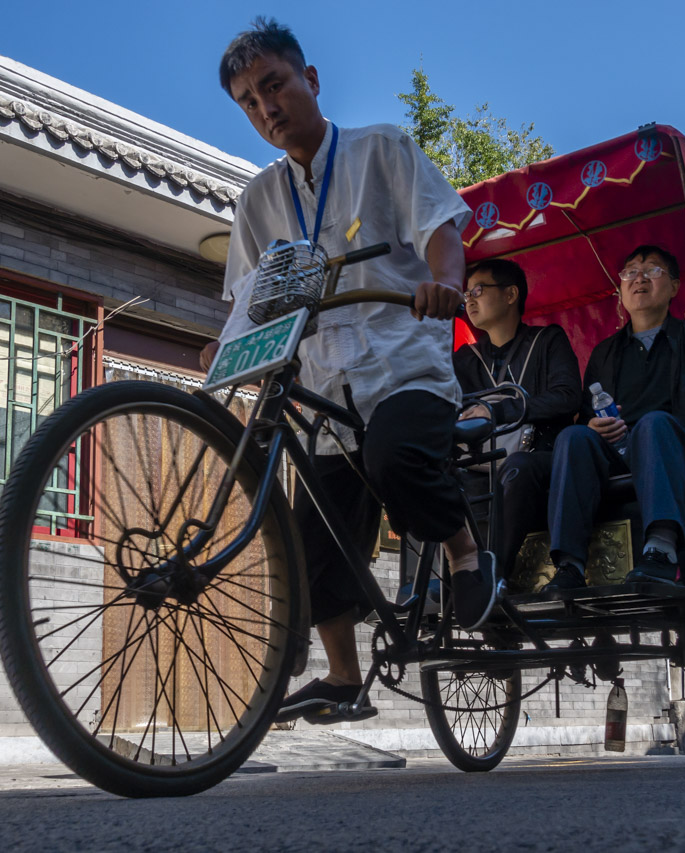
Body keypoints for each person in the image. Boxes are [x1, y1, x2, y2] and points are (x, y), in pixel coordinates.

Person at [205, 19, 496, 723]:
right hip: (324, 382)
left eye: (273, 85)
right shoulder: (257, 202)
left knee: (399, 456)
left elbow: (439, 230)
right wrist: (223, 355)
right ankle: (342, 674)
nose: (266, 107)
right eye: (248, 100)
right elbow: (247, 299)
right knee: (316, 531)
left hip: (402, 362)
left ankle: (463, 552)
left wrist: (444, 283)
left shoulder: (380, 149)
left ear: (310, 79)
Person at [543, 245, 685, 591]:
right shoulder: (605, 352)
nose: (639, 278)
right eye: (630, 272)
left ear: (673, 286)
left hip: (670, 447)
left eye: (653, 270)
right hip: (615, 452)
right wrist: (592, 425)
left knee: (653, 423)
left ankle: (661, 548)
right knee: (573, 437)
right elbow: (586, 415)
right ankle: (569, 564)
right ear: (621, 288)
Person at [452, 258, 582, 578]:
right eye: (466, 293)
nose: (469, 299)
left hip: (539, 458)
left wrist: (500, 410)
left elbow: (567, 397)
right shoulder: (464, 359)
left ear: (511, 295)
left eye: (478, 290)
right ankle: (446, 575)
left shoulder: (548, 340)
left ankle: (494, 575)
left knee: (517, 468)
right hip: (480, 462)